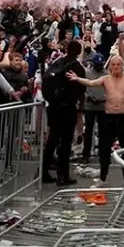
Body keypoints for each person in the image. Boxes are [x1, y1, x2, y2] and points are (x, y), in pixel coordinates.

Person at [67, 55, 124, 183]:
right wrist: (77, 78)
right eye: (113, 64)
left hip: (123, 117)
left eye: (118, 65)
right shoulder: (105, 79)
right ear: (110, 66)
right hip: (109, 117)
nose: (116, 67)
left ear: (122, 66)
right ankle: (102, 178)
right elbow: (90, 83)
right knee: (104, 149)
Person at [43, 40, 86, 186]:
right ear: (79, 52)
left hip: (54, 107)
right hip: (68, 108)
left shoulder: (57, 63)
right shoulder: (77, 67)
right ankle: (63, 175)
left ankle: (43, 172)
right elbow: (81, 88)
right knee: (66, 142)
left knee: (52, 140)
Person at [81, 53, 107, 164]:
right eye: (97, 64)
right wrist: (89, 97)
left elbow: (110, 89)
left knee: (103, 132)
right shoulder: (87, 73)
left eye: (100, 64)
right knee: (88, 131)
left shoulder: (107, 74)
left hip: (102, 106)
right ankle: (85, 154)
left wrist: (104, 97)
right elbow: (83, 88)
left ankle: (103, 154)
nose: (99, 66)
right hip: (90, 106)